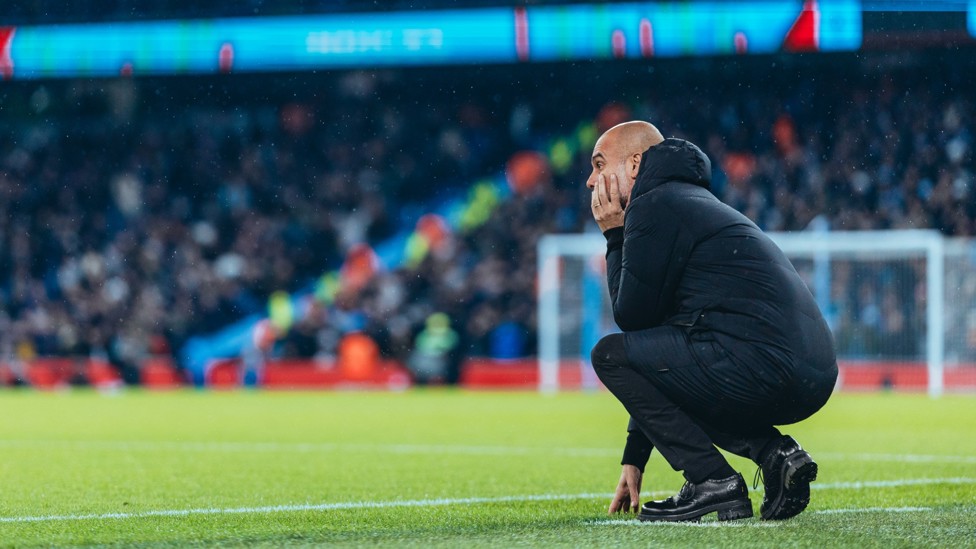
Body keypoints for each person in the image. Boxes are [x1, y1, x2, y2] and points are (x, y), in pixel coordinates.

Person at [587, 121, 837, 522]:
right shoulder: (688, 199)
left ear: (635, 164)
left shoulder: (655, 204)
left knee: (609, 354)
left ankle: (711, 481)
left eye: (599, 165)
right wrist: (634, 457)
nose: (590, 181)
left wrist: (614, 235)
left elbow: (630, 320)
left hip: (761, 362)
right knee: (671, 363)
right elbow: (659, 353)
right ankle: (776, 455)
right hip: (811, 371)